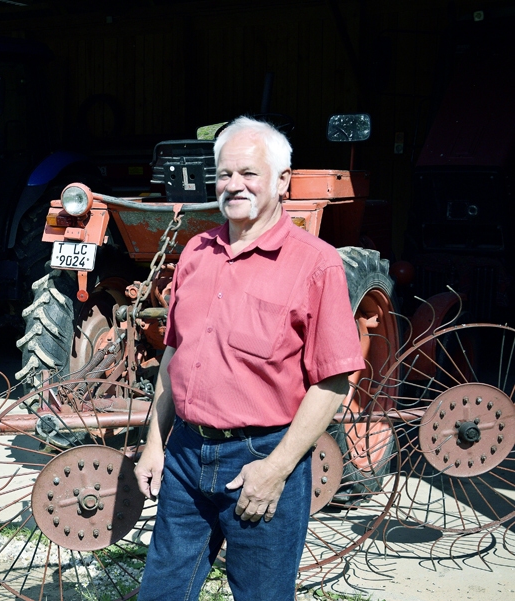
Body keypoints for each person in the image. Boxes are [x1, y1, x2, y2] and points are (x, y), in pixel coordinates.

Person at [133, 116, 365, 601]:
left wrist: (277, 468)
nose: (233, 185)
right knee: (161, 592)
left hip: (259, 459)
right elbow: (174, 355)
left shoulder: (315, 263)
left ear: (282, 181)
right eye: (224, 173)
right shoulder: (197, 251)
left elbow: (333, 383)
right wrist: (154, 443)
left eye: (249, 173)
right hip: (184, 457)